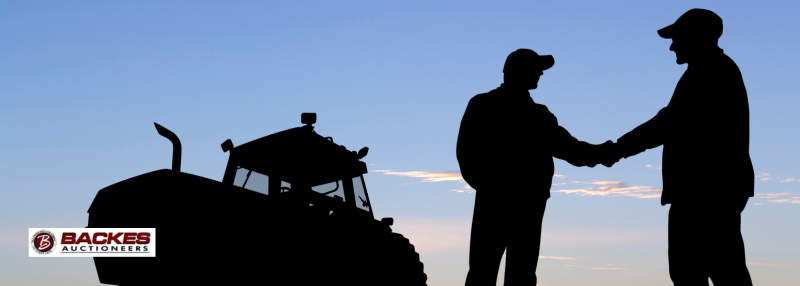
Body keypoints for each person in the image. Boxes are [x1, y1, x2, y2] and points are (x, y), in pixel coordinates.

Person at [606, 9, 754, 286]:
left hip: (705, 192)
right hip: (709, 190)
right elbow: (670, 121)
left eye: (678, 38)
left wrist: (616, 149)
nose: (673, 45)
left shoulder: (710, 72)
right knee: (713, 268)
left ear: (697, 37)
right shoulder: (709, 71)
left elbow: (669, 123)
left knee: (704, 270)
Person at [457, 49, 611, 286]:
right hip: (504, 201)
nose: (540, 73)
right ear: (516, 71)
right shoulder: (486, 105)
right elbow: (467, 153)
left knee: (514, 272)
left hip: (525, 203)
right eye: (534, 68)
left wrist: (602, 152)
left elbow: (570, 149)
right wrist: (491, 187)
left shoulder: (538, 114)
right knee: (486, 270)